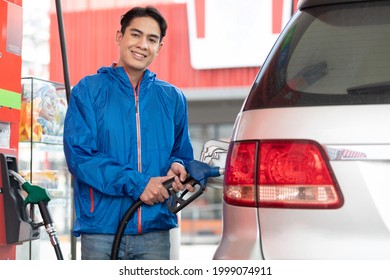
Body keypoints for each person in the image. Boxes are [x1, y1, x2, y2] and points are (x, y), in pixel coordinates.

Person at [63, 6, 194, 260]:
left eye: (152, 39)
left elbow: (182, 152)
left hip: (154, 231)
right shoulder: (88, 91)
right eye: (135, 34)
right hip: (101, 232)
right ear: (119, 37)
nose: (142, 44)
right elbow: (80, 157)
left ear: (159, 48)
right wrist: (138, 184)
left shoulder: (173, 98)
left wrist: (178, 166)